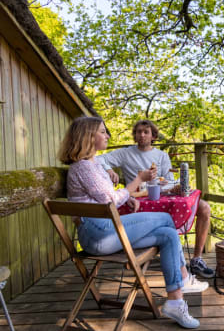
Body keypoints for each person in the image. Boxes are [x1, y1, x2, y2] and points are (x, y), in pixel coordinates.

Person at [59, 116, 206, 329]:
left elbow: (106, 194)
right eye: (102, 131)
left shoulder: (92, 164)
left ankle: (175, 300)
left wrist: (127, 196)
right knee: (166, 218)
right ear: (88, 136)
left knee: (168, 234)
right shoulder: (83, 167)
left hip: (105, 230)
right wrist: (138, 180)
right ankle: (183, 277)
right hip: (98, 233)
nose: (107, 135)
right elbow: (109, 199)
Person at [97, 119, 215, 278]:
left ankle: (196, 259)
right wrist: (109, 170)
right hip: (138, 202)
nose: (142, 135)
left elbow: (170, 181)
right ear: (135, 135)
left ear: (153, 136)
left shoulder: (161, 155)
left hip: (162, 198)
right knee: (167, 226)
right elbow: (99, 159)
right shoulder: (125, 153)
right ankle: (176, 264)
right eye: (139, 132)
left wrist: (164, 182)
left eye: (146, 132)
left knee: (204, 207)